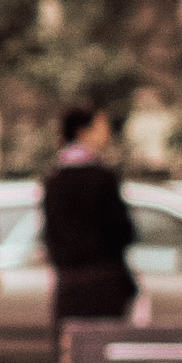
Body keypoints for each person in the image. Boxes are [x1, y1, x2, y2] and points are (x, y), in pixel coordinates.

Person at [42, 104, 137, 334]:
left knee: (72, 356)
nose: (106, 133)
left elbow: (50, 235)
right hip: (105, 285)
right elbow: (124, 231)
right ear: (83, 132)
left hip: (69, 287)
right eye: (100, 127)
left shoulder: (53, 180)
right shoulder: (103, 178)